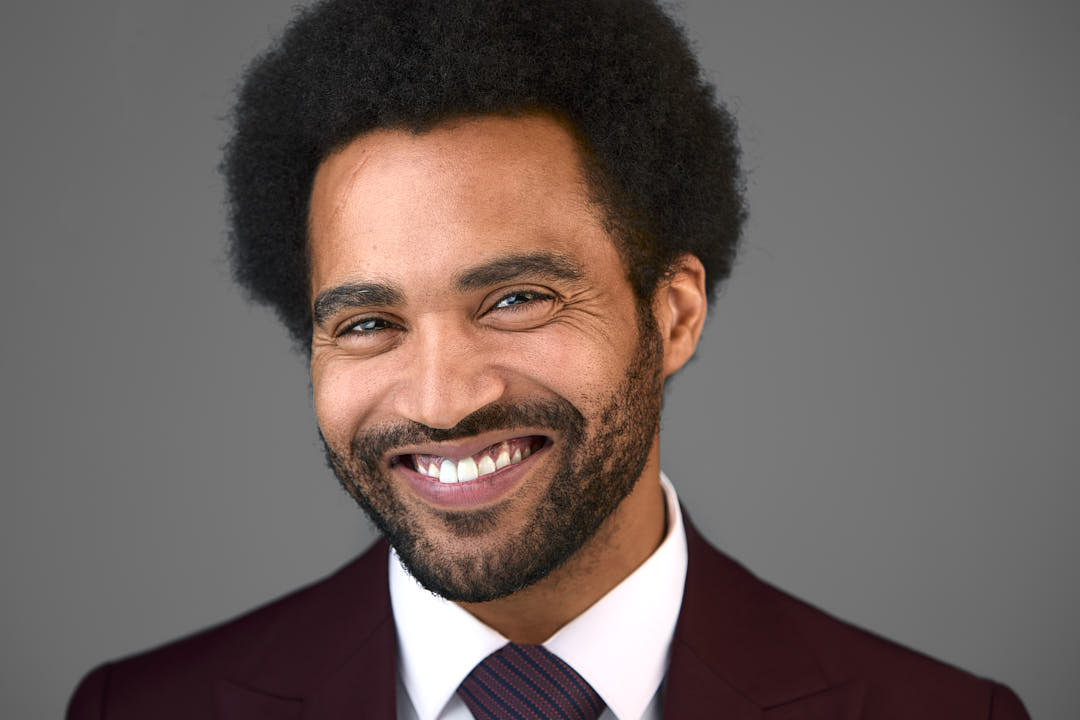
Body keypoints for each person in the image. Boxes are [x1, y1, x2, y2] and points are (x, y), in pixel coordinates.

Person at [67, 1, 1030, 718]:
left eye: (517, 300)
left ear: (674, 315)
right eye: (367, 323)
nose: (441, 401)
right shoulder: (140, 711)